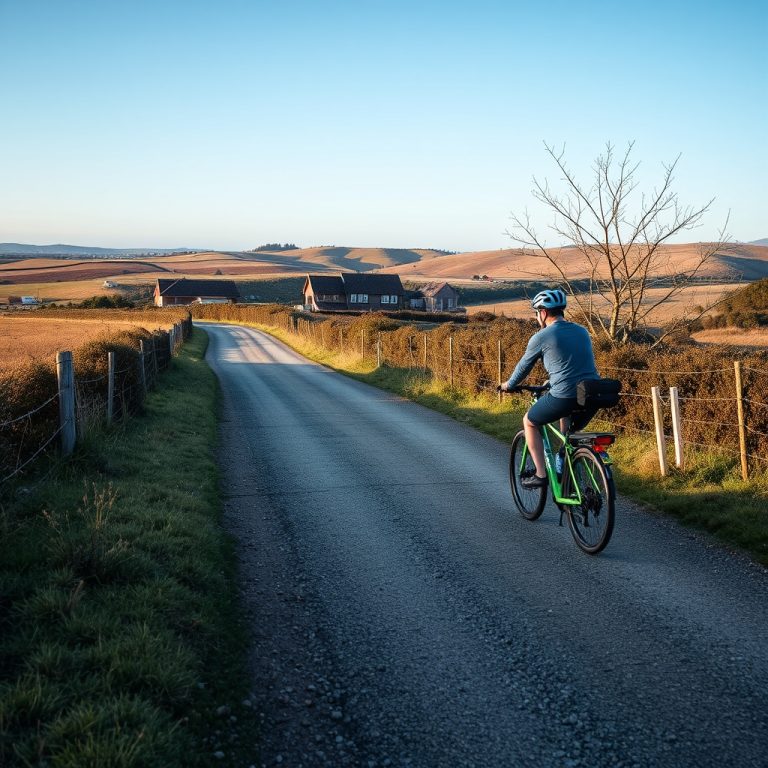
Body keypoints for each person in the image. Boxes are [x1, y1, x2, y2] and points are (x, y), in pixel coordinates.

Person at [499, 289, 600, 489]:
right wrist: (551, 381)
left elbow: (523, 367)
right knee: (569, 432)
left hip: (564, 395)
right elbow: (574, 366)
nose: (537, 316)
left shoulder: (541, 336)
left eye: (537, 312)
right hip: (592, 393)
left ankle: (540, 474)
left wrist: (508, 385)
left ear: (543, 313)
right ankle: (565, 460)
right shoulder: (582, 330)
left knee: (529, 422)